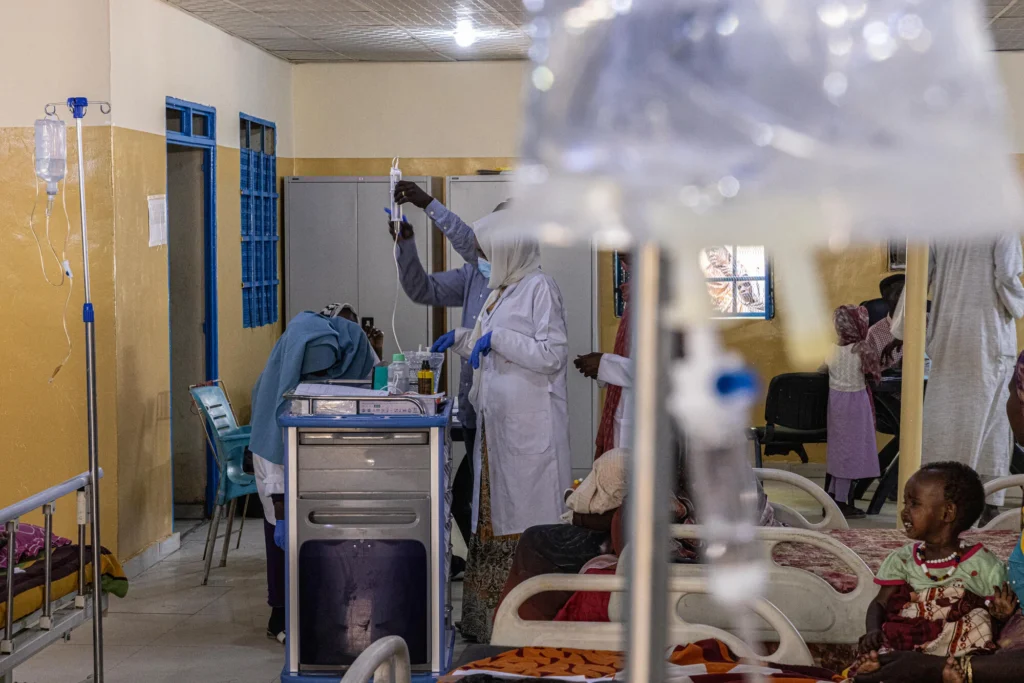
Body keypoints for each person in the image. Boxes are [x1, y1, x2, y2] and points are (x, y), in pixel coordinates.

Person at [432, 212, 572, 643]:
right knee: (491, 520)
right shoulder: (502, 289)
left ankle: (527, 625)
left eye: (487, 252)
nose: (483, 260)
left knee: (524, 524)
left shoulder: (540, 287)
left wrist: (498, 340)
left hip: (530, 432)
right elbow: (486, 342)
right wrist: (462, 339)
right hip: (498, 431)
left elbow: (551, 354)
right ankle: (487, 624)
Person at [248, 310, 377, 642]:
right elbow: (272, 452)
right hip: (278, 477)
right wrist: (281, 511)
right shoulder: (277, 390)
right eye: (314, 373)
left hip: (317, 478)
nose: (318, 379)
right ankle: (280, 617)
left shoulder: (343, 360)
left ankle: (320, 611)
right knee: (283, 549)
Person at [391, 179, 494, 558]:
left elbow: (465, 240)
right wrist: (405, 246)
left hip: (502, 412)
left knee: (477, 497)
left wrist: (429, 203)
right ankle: (481, 565)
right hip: (473, 408)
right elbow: (423, 290)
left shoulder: (524, 284)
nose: (480, 246)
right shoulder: (474, 275)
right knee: (470, 497)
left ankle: (488, 567)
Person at [850, 463, 1013, 680]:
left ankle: (950, 672)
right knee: (889, 638)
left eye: (914, 504)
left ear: (947, 512)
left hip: (956, 644)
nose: (904, 511)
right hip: (908, 642)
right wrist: (873, 630)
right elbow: (880, 603)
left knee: (977, 619)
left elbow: (998, 615)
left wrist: (1001, 614)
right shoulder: (902, 559)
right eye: (905, 503)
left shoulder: (984, 564)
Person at [901, 238, 1024, 516]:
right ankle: (987, 506)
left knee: (946, 425)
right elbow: (1007, 275)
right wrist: (1020, 305)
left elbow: (918, 276)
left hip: (948, 336)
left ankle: (941, 501)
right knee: (991, 431)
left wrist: (903, 328)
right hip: (987, 335)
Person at [825, 305, 882, 519]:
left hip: (836, 402)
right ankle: (842, 501)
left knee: (840, 450)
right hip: (856, 403)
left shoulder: (830, 348)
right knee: (852, 452)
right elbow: (875, 374)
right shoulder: (863, 349)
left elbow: (823, 369)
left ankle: (833, 496)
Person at [575, 253, 633, 457]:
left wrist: (604, 364)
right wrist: (603, 366)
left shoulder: (659, 301)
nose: (624, 264)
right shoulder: (636, 299)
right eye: (622, 258)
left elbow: (657, 371)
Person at [866, 274, 905, 371]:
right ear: (886, 299)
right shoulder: (874, 333)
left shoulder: (929, 323)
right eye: (898, 294)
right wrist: (895, 369)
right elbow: (870, 372)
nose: (905, 299)